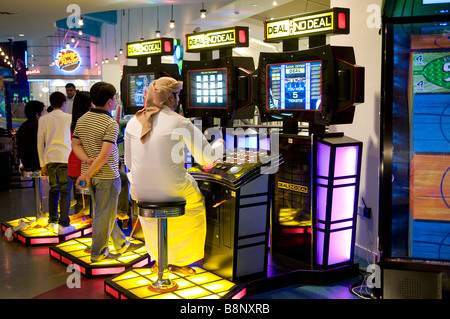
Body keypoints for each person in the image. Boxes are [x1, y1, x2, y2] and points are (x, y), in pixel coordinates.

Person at [124, 77, 224, 275]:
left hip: (138, 189)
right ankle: (181, 262)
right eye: (177, 95)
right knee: (193, 207)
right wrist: (219, 143)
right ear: (170, 98)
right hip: (172, 188)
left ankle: (160, 260)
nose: (178, 99)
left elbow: (128, 162)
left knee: (153, 216)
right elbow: (205, 158)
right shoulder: (179, 122)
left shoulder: (133, 121)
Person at [72, 82, 142, 262]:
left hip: (90, 174)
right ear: (110, 101)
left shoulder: (82, 119)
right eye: (115, 98)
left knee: (103, 213)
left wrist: (86, 161)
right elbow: (104, 156)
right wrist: (88, 172)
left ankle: (120, 244)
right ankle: (98, 253)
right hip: (107, 175)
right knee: (104, 215)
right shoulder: (110, 124)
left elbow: (75, 144)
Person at [37, 91, 74, 235]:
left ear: (50, 103)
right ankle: (63, 224)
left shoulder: (43, 119)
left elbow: (40, 144)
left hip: (50, 159)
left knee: (53, 190)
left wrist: (42, 164)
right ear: (63, 103)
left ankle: (52, 221)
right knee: (65, 191)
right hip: (66, 158)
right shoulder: (70, 118)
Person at [67, 91, 91, 214]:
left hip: (73, 166)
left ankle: (85, 230)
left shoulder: (75, 121)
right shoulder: (86, 122)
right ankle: (87, 231)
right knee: (84, 204)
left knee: (81, 200)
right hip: (81, 168)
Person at [16, 100, 45, 171]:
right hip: (36, 163)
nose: (44, 114)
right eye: (43, 112)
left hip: (25, 162)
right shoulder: (38, 126)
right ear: (37, 115)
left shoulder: (23, 126)